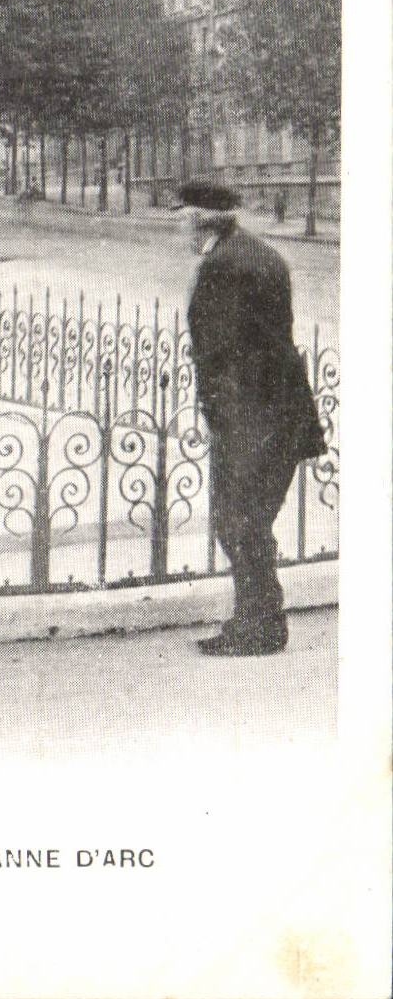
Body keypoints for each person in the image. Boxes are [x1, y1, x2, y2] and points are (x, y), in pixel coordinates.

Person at [176, 182, 326, 656]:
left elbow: (222, 355)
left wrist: (219, 419)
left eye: (181, 215)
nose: (176, 224)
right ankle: (260, 621)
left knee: (238, 521)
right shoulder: (261, 253)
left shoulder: (223, 266)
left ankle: (259, 628)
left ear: (201, 218)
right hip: (279, 411)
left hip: (251, 417)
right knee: (250, 522)